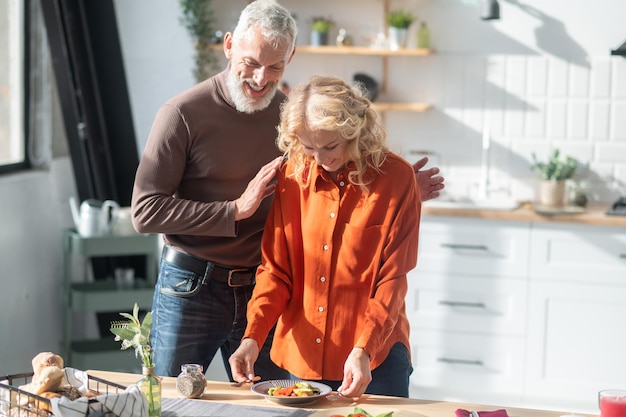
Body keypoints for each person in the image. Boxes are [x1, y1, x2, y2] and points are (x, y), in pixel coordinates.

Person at [131, 0, 443, 380]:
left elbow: (341, 169)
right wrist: (235, 209)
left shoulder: (295, 117)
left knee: (263, 401)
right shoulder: (181, 113)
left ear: (291, 57)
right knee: (169, 397)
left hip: (263, 289)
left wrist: (398, 189)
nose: (262, 78)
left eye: (276, 66)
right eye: (251, 63)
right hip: (194, 284)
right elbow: (144, 211)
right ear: (229, 45)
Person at [228, 75, 419, 398]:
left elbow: (392, 281)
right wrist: (253, 338)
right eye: (308, 147)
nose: (320, 158)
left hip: (373, 360)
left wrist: (363, 349)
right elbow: (276, 271)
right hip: (301, 360)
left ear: (355, 131)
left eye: (331, 146)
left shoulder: (397, 179)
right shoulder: (292, 175)